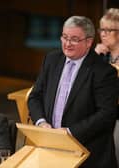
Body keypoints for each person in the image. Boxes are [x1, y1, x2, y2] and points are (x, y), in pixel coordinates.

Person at [28, 16, 118, 168]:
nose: (67, 44)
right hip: (51, 150)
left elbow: (106, 114)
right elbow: (35, 96)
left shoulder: (103, 72)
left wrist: (69, 133)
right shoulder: (51, 59)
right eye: (64, 37)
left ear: (88, 42)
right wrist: (41, 122)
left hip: (88, 155)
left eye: (74, 39)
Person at [95, 8, 119, 167]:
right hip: (103, 112)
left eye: (108, 30)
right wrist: (93, 57)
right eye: (101, 29)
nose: (102, 34)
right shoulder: (102, 55)